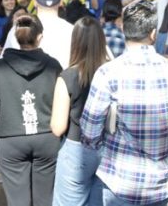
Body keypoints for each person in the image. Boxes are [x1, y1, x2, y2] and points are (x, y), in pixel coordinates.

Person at [80, 1, 168, 206]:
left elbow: (89, 130)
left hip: (118, 181)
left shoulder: (108, 72)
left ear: (123, 29)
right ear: (153, 33)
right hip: (160, 184)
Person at [0, 15, 64, 206]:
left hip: (11, 137)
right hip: (47, 137)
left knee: (17, 201)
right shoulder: (53, 65)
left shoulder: (0, 67)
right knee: (45, 199)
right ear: (40, 37)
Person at [51, 17, 109, 206]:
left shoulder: (68, 76)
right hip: (108, 149)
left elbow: (58, 127)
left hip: (76, 150)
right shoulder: (112, 72)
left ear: (75, 41)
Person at [15, 0, 73, 69]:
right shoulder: (72, 30)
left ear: (34, 2)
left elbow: (8, 60)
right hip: (62, 80)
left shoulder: (21, 27)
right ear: (61, 2)